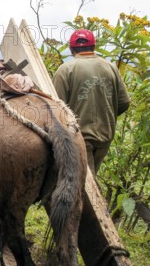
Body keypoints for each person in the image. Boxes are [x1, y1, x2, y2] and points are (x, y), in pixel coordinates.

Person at [53, 29, 130, 176]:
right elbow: (124, 102)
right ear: (94, 47)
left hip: (79, 138)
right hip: (105, 137)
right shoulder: (111, 68)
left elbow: (56, 108)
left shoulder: (65, 70)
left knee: (86, 188)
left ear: (71, 49)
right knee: (89, 181)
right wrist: (106, 116)